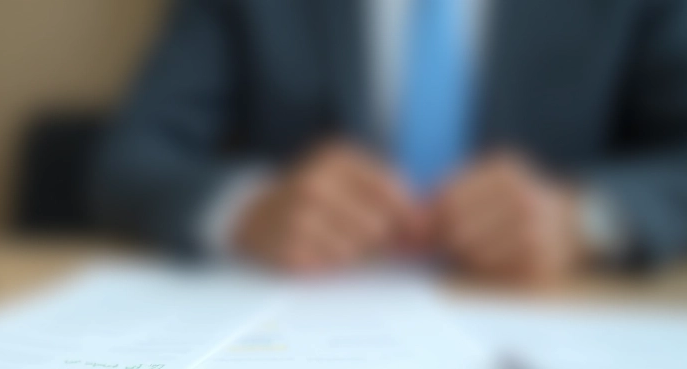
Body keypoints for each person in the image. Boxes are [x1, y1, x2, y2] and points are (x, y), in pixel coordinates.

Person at [92, 0, 687, 282]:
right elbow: (130, 160)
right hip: (304, 332)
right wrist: (249, 210)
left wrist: (590, 219)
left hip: (554, 320)